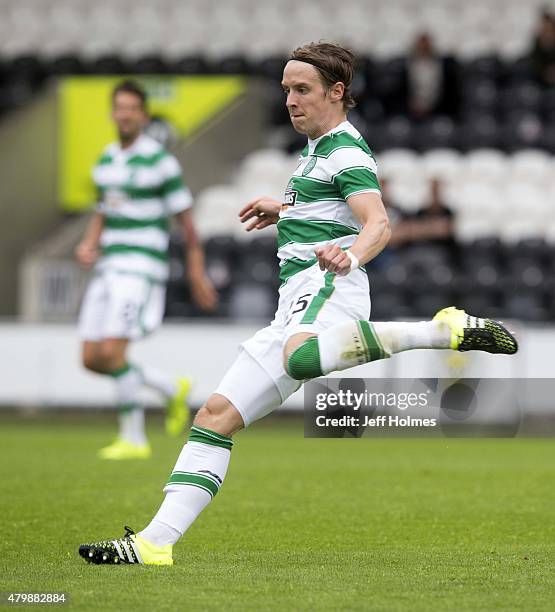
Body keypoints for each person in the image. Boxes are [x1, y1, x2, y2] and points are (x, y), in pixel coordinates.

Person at [78, 44, 517, 565]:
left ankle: (440, 330)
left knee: (300, 359)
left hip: (327, 285)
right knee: (215, 416)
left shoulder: (343, 150)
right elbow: (329, 204)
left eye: (302, 89)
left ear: (336, 93)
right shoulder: (315, 151)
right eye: (286, 89)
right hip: (295, 300)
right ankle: (154, 544)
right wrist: (285, 209)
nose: (290, 100)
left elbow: (378, 223)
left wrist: (350, 258)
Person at [75, 80, 217, 460]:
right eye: (119, 107)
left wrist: (196, 270)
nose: (124, 114)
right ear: (112, 112)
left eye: (131, 108)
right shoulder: (105, 159)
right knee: (90, 358)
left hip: (139, 268)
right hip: (107, 267)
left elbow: (186, 222)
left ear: (142, 115)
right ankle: (172, 389)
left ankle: (133, 438)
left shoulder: (160, 161)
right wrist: (90, 244)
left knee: (112, 350)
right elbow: (102, 211)